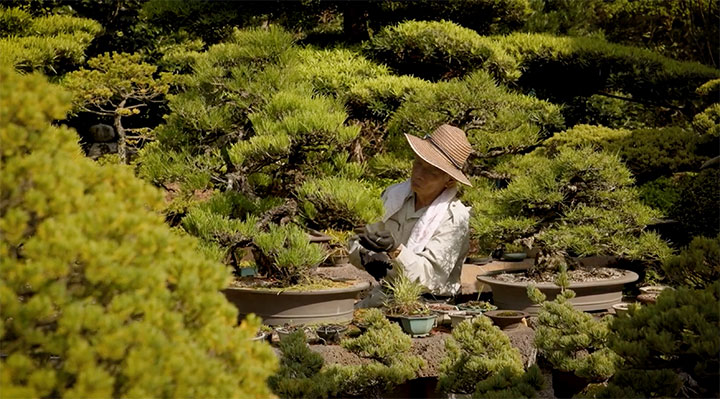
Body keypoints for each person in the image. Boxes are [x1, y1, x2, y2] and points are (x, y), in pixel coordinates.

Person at [349, 124, 472, 307]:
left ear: (449, 180)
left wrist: (395, 250)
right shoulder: (393, 196)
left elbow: (431, 278)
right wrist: (366, 256)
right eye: (418, 163)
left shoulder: (454, 218)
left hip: (429, 305)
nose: (419, 174)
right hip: (385, 294)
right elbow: (357, 240)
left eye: (432, 171)